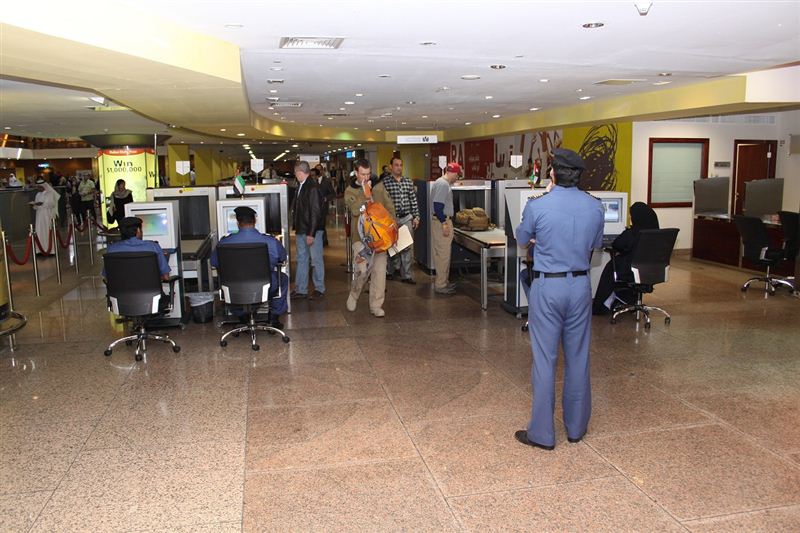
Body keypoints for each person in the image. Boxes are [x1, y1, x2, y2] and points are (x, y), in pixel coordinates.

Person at [514, 148, 604, 451]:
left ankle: (542, 433)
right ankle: (576, 428)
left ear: (552, 173)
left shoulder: (538, 205)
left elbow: (522, 239)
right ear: (578, 176)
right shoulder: (595, 207)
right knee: (578, 356)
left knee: (545, 359)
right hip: (580, 286)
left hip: (548, 287)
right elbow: (594, 245)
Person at [211, 206, 288, 329]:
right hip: (265, 286)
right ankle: (273, 318)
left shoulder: (224, 242)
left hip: (234, 288)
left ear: (238, 223)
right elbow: (283, 257)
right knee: (282, 278)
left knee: (227, 282)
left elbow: (214, 263)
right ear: (255, 221)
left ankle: (242, 317)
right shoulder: (270, 241)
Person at [344, 158, 396, 318]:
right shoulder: (350, 191)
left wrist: (392, 227)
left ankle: (376, 305)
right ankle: (354, 293)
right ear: (356, 173)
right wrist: (365, 196)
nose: (366, 177)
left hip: (380, 238)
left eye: (368, 174)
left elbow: (390, 207)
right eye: (362, 174)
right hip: (361, 239)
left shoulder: (379, 187)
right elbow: (355, 210)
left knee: (379, 273)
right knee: (362, 270)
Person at [592, 202, 660, 315]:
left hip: (630, 271)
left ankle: (602, 306)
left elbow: (617, 244)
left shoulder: (632, 233)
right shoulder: (657, 234)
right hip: (652, 271)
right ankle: (627, 300)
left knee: (611, 266)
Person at [382, 156, 420, 284]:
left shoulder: (408, 182)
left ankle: (407, 275)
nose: (399, 167)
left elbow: (413, 200)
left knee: (406, 247)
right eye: (396, 165)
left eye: (401, 165)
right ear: (391, 167)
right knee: (391, 246)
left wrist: (416, 217)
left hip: (406, 218)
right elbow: (382, 203)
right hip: (391, 219)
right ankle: (390, 271)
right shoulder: (385, 183)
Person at [291, 160, 325, 299]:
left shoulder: (312, 187)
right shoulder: (301, 186)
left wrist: (311, 233)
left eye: (295, 172)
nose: (295, 175)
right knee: (302, 259)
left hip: (312, 231)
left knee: (316, 260)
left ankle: (319, 288)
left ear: (300, 172)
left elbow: (316, 212)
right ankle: (301, 289)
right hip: (302, 229)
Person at [430, 162, 461, 295]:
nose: (457, 178)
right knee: (443, 255)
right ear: (453, 173)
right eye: (457, 175)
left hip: (438, 221)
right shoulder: (443, 184)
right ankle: (441, 285)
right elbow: (438, 206)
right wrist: (444, 223)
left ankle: (444, 281)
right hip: (441, 221)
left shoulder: (440, 182)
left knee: (442, 254)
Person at [31, 179, 61, 257]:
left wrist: (43, 204)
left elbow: (52, 204)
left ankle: (50, 250)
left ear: (43, 186)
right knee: (39, 231)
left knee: (47, 232)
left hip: (47, 215)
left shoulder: (49, 194)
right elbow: (35, 206)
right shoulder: (38, 194)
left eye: (39, 187)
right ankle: (39, 250)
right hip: (39, 216)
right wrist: (35, 204)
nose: (38, 188)